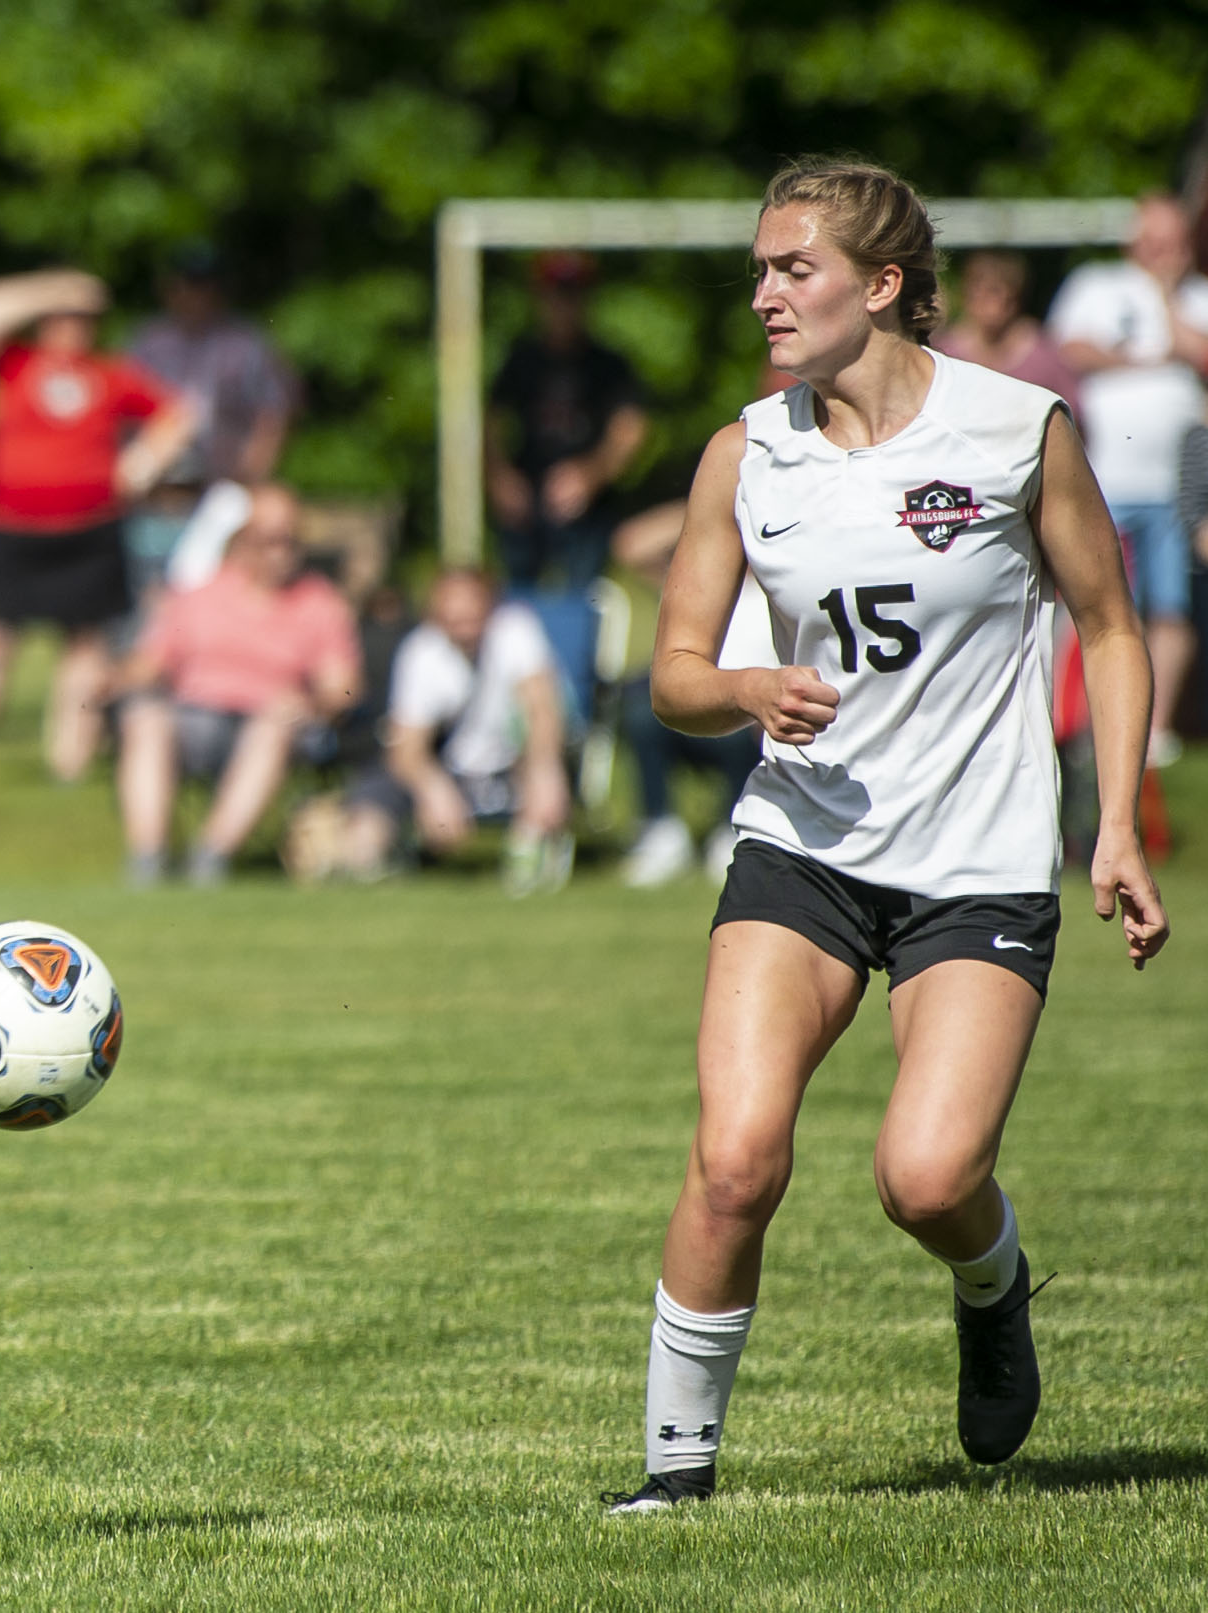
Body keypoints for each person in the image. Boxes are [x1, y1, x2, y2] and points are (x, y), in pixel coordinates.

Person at [604, 161, 1168, 1516]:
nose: (761, 294)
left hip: (973, 862)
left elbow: (1107, 624)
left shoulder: (1015, 429)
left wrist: (1113, 827)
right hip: (800, 852)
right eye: (755, 271)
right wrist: (741, 688)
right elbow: (672, 673)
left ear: (876, 286)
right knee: (733, 1154)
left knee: (922, 1178)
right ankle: (672, 1478)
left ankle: (989, 1283)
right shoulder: (745, 453)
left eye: (788, 269)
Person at [0, 269, 195, 785]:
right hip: (15, 528)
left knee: (85, 648)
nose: (74, 327)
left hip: (89, 529)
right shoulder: (15, 364)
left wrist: (140, 466)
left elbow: (178, 415)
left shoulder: (110, 375)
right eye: (63, 318)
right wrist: (55, 289)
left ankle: (69, 762)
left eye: (83, 318)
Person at [114, 484, 358, 886]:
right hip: (195, 717)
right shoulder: (197, 595)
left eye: (288, 540)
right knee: (145, 718)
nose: (279, 552)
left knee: (273, 725)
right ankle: (148, 859)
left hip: (274, 725)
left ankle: (210, 858)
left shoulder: (320, 603)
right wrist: (113, 683)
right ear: (242, 540)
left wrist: (312, 703)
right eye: (267, 540)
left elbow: (343, 688)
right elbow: (150, 662)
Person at [1048, 194, 1208, 766]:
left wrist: (1165, 297)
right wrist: (1151, 360)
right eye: (1153, 239)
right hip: (1103, 479)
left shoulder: (1196, 295)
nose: (1162, 251)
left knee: (1170, 606)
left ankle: (1154, 727)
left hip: (1173, 488)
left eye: (1173, 241)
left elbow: (1201, 353)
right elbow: (1069, 347)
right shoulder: (1097, 283)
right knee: (1101, 604)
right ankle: (1087, 718)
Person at [354, 568, 573, 895]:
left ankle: (531, 849)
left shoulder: (515, 631)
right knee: (364, 834)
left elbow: (542, 710)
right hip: (453, 769)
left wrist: (545, 770)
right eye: (453, 621)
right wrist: (433, 789)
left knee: (539, 769)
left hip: (514, 761)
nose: (465, 630)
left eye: (472, 618)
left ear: (491, 608)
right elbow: (406, 749)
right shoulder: (421, 652)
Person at [608, 498, 772, 887]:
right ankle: (660, 829)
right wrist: (717, 504)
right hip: (697, 708)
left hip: (757, 719)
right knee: (639, 712)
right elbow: (630, 546)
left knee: (746, 727)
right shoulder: (701, 587)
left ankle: (729, 829)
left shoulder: (786, 589)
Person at [124, 241, 296, 598]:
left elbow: (273, 412)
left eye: (205, 285)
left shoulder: (245, 344)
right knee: (149, 596)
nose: (196, 294)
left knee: (210, 591)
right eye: (187, 284)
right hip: (156, 496)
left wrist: (251, 477)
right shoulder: (148, 344)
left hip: (220, 494)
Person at [487, 252, 650, 595]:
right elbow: (492, 423)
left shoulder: (608, 364)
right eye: (555, 294)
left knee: (582, 601)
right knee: (519, 603)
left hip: (588, 509)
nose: (563, 305)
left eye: (573, 294)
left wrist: (590, 475)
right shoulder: (521, 359)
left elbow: (631, 430)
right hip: (527, 501)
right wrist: (500, 477)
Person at [934, 250, 1083, 420]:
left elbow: (1073, 417)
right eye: (984, 292)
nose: (994, 303)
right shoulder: (944, 354)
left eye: (998, 291)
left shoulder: (1045, 354)